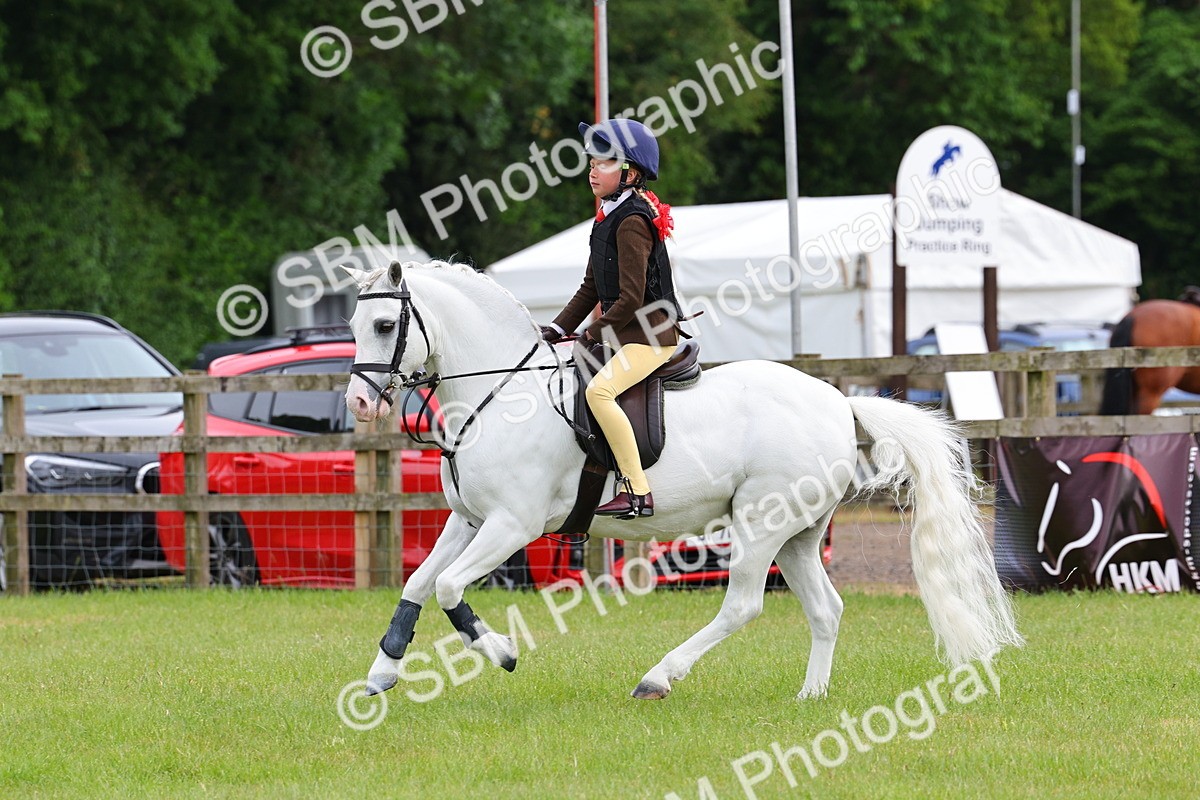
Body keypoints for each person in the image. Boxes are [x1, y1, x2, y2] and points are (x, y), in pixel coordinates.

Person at [540, 119, 686, 519]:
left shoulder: (633, 221)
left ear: (630, 173)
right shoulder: (607, 216)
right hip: (626, 332)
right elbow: (591, 288)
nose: (592, 169)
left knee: (598, 393)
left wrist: (592, 332)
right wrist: (556, 329)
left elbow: (630, 298)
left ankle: (639, 492)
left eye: (603, 163)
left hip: (651, 335)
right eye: (591, 162)